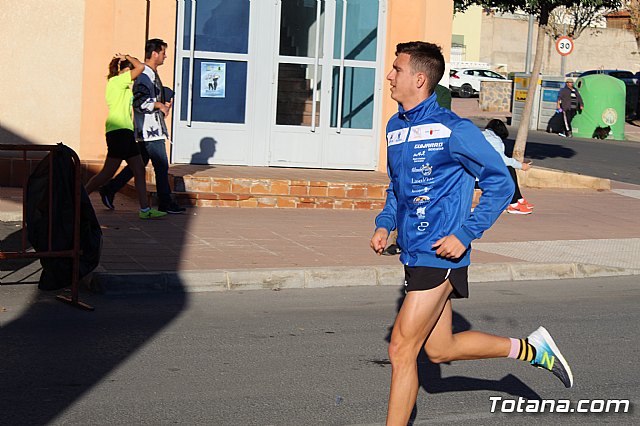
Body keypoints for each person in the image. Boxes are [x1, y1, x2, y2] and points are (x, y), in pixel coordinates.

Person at [370, 41, 573, 425]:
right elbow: (398, 186)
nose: (389, 76)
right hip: (413, 250)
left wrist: (466, 233)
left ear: (419, 78)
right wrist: (385, 223)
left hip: (441, 252)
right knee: (441, 350)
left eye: (396, 69)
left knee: (400, 349)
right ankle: (532, 349)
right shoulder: (395, 127)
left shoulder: (455, 129)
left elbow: (499, 183)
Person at [99, 38, 186, 214]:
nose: (165, 56)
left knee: (138, 166)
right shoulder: (143, 74)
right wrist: (158, 105)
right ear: (154, 53)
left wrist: (163, 101)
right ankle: (165, 202)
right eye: (163, 53)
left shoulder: (150, 74)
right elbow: (139, 102)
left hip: (149, 129)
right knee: (161, 165)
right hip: (149, 131)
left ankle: (111, 189)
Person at [84, 54, 167, 220]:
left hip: (126, 132)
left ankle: (145, 210)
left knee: (138, 169)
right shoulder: (117, 81)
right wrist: (127, 56)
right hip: (118, 132)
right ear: (124, 70)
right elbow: (141, 67)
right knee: (107, 173)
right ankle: (79, 198)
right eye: (129, 70)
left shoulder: (122, 86)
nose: (133, 75)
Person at [483, 119, 535, 215]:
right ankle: (513, 204)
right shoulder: (493, 139)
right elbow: (503, 159)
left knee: (509, 168)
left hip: (480, 167)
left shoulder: (485, 135)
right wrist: (521, 166)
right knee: (508, 168)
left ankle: (518, 199)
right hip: (482, 171)